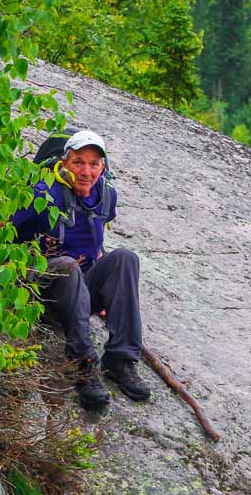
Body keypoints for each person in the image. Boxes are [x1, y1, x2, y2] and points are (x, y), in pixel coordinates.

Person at [11, 130, 150, 407]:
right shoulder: (43, 195)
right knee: (67, 265)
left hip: (81, 292)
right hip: (45, 295)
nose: (86, 171)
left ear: (103, 167)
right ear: (64, 163)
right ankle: (82, 362)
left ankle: (120, 358)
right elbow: (4, 231)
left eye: (94, 163)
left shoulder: (105, 195)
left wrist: (109, 291)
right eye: (78, 162)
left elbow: (97, 241)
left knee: (125, 258)